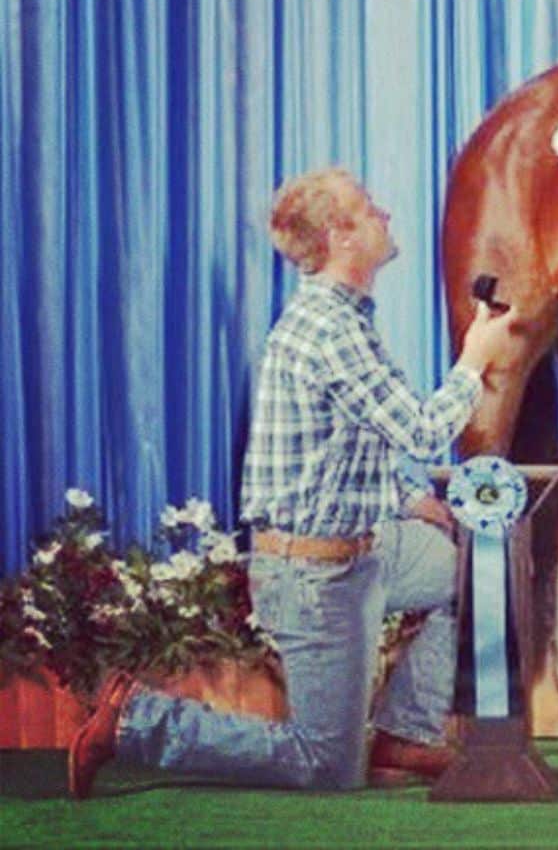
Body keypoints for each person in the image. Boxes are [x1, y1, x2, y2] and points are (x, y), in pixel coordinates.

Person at [69, 167, 517, 797]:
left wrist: (407, 497)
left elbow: (343, 439)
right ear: (340, 235)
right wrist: (475, 359)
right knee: (325, 766)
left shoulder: (343, 320)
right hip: (313, 578)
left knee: (469, 576)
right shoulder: (330, 330)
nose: (385, 215)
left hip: (364, 551)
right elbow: (419, 433)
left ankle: (404, 733)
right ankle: (135, 721)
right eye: (369, 210)